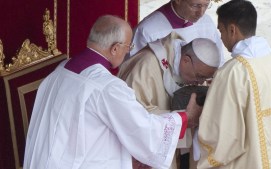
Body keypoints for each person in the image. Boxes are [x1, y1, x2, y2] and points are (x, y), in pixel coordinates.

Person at [23, 15, 203, 169]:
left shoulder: (62, 70)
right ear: (115, 48)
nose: (127, 53)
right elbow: (143, 129)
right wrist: (185, 118)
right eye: (128, 47)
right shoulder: (106, 87)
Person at [197, 0, 271, 168]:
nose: (221, 37)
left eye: (221, 31)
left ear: (232, 30)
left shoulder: (232, 73)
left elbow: (223, 139)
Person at [118, 32, 221, 169]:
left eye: (205, 79)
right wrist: (184, 118)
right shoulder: (146, 65)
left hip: (181, 153)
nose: (200, 82)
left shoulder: (195, 67)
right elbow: (133, 117)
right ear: (185, 60)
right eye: (199, 76)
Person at [130, 0, 224, 66]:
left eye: (206, 5)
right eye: (195, 6)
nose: (201, 13)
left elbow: (218, 61)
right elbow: (137, 72)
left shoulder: (206, 21)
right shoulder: (147, 30)